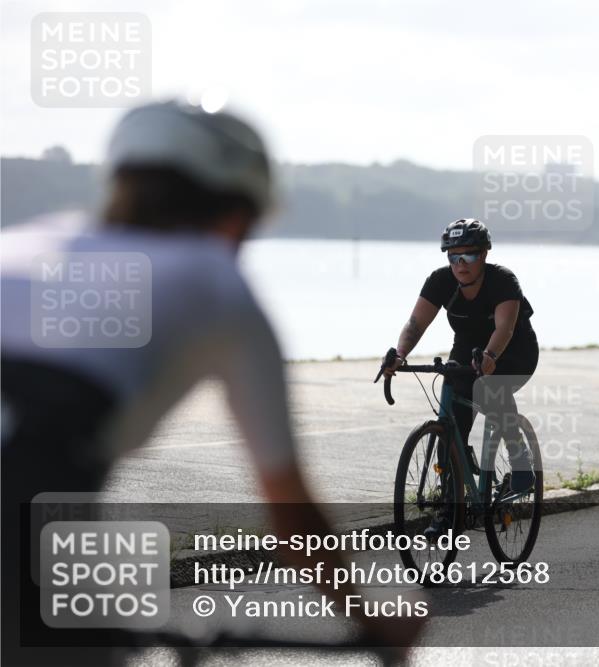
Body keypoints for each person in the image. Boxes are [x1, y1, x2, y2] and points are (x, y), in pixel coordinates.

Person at [0, 100, 421, 665]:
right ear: (235, 211)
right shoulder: (216, 281)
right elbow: (289, 507)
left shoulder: (26, 243)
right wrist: (372, 616)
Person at [384, 219, 539, 536]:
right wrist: (399, 354)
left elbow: (505, 328)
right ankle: (449, 509)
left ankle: (520, 463)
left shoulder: (503, 281)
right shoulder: (440, 282)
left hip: (513, 351)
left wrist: (491, 357)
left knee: (487, 389)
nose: (461, 264)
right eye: (453, 256)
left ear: (484, 254)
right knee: (449, 422)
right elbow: (415, 325)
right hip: (467, 350)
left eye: (468, 256)